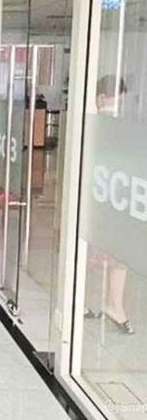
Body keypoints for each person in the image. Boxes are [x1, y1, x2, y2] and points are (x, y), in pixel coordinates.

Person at [85, 75, 134, 334]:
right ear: (101, 98)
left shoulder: (121, 126)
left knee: (118, 255)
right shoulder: (93, 125)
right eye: (116, 101)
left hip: (115, 199)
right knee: (88, 255)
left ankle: (115, 305)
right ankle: (82, 300)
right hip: (95, 201)